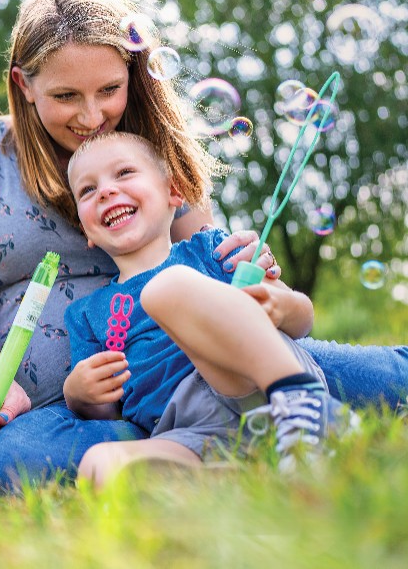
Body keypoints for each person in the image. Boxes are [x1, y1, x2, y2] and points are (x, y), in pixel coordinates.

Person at [0, 0, 408, 490]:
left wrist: (256, 271)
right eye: (66, 96)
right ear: (23, 85)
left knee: (376, 379)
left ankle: (292, 402)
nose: (93, 117)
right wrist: (5, 392)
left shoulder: (155, 147)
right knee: (11, 460)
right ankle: (233, 443)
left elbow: (221, 275)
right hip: (99, 408)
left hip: (216, 363)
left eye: (109, 89)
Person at [62, 131, 356, 487]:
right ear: (85, 231)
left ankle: (306, 403)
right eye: (87, 190)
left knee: (164, 289)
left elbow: (302, 318)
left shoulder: (211, 249)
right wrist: (78, 394)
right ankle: (241, 481)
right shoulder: (85, 314)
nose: (106, 191)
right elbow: (107, 408)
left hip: (253, 383)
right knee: (100, 465)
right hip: (187, 431)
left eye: (124, 173)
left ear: (174, 193)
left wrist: (280, 304)